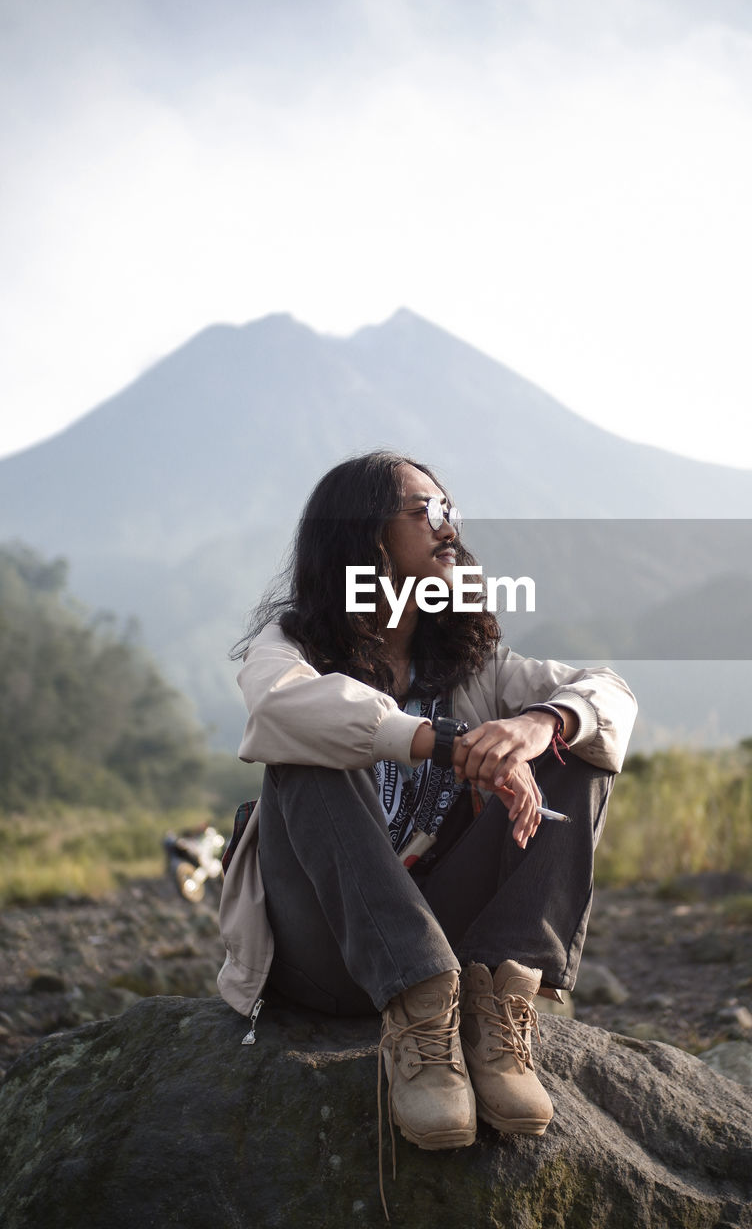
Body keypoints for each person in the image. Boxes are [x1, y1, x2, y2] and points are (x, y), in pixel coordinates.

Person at [217, 450, 637, 1185]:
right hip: (327, 953)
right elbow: (280, 708)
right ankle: (415, 1018)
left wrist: (539, 725)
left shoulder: (472, 666)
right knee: (306, 750)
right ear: (364, 540)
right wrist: (441, 743)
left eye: (450, 512)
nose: (450, 528)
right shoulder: (291, 649)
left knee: (579, 746)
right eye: (425, 512)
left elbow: (608, 695)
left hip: (448, 940)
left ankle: (499, 1010)